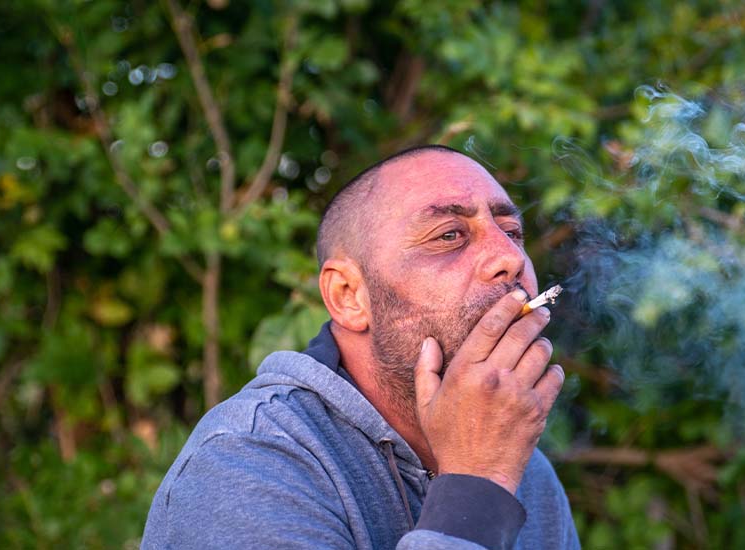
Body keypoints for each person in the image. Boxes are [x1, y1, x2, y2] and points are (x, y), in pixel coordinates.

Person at [141, 145, 579, 549]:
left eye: (512, 232)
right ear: (349, 296)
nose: (511, 258)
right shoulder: (246, 464)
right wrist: (475, 487)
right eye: (449, 235)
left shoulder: (524, 470)